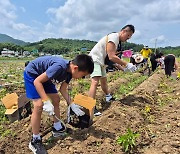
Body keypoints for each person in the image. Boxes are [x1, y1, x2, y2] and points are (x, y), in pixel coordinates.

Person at [24, 54, 94, 154]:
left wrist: (71, 104)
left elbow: (63, 89)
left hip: (46, 77)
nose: (81, 78)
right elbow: (37, 81)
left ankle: (57, 128)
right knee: (38, 105)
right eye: (82, 75)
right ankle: (35, 140)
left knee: (56, 99)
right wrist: (45, 101)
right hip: (33, 75)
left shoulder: (70, 73)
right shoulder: (59, 67)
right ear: (75, 68)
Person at [89, 24, 136, 116]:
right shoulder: (114, 37)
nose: (128, 39)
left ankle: (108, 97)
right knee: (95, 82)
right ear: (123, 31)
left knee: (104, 81)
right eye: (128, 36)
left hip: (101, 61)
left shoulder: (117, 41)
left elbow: (112, 60)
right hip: (95, 59)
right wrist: (127, 64)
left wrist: (123, 68)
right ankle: (91, 106)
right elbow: (111, 57)